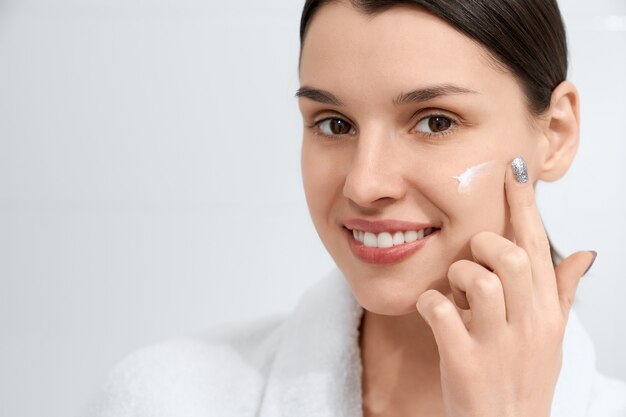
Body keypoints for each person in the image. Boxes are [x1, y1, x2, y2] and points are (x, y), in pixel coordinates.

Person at [88, 1, 626, 416]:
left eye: (435, 121)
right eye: (333, 123)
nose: (365, 185)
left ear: (555, 134)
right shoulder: (170, 396)